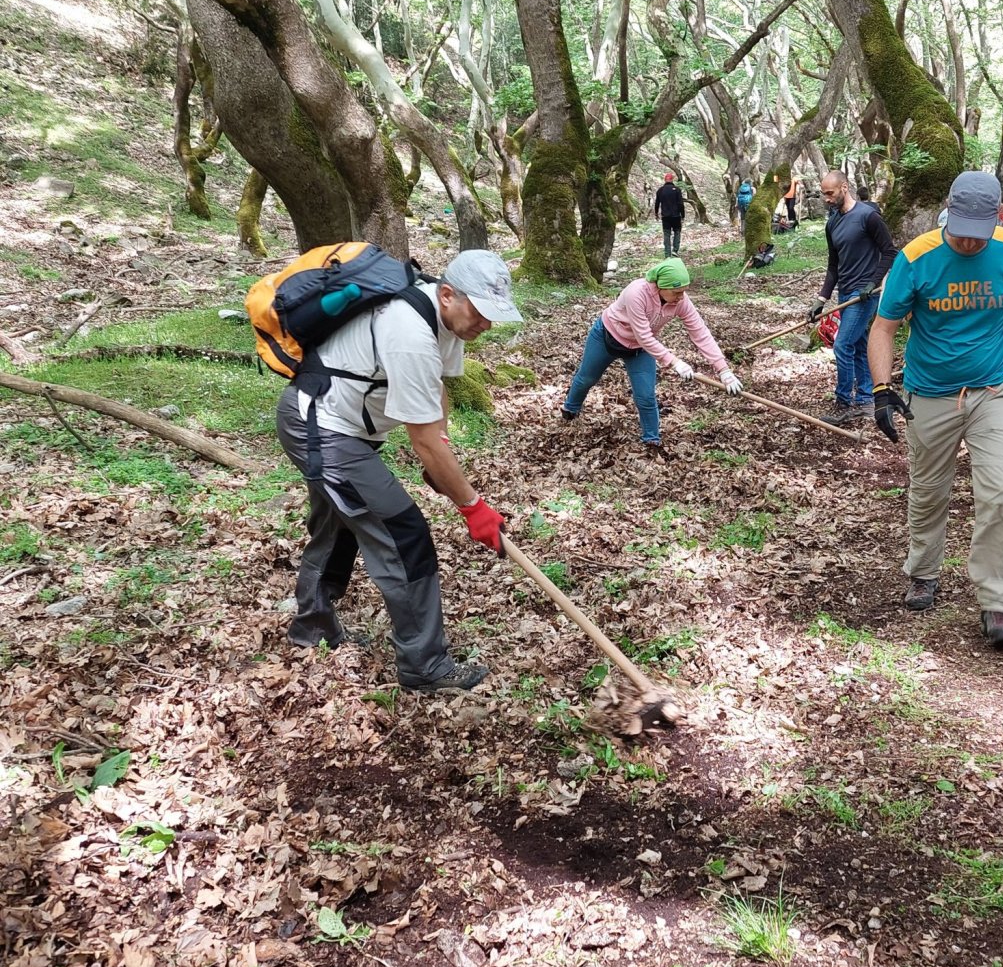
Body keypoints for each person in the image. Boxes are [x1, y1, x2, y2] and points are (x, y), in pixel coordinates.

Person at [274, 250, 521, 693]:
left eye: (493, 315)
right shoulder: (409, 332)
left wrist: (443, 450)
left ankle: (312, 628)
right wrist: (472, 507)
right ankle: (424, 666)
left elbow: (439, 389)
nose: (486, 323)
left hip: (340, 429)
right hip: (323, 430)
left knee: (339, 525)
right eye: (481, 311)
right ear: (448, 294)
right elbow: (421, 440)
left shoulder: (445, 322)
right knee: (403, 534)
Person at [867, 171, 1003, 652]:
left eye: (980, 230)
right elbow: (885, 327)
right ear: (949, 211)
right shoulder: (917, 257)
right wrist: (882, 389)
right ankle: (924, 572)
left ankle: (997, 600)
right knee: (929, 492)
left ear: (998, 218)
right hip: (930, 393)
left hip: (992, 390)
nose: (970, 241)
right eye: (962, 230)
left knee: (1000, 492)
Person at [562, 258, 741, 448]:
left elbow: (700, 332)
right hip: (607, 337)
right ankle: (570, 409)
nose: (681, 297)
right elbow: (643, 336)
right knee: (586, 378)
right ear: (660, 286)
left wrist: (724, 371)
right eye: (677, 292)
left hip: (640, 350)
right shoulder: (636, 293)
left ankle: (651, 441)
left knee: (646, 396)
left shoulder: (681, 301)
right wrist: (674, 362)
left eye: (684, 292)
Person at [805, 170, 897, 425]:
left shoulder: (868, 216)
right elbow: (833, 265)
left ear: (844, 188)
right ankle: (866, 400)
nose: (826, 198)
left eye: (829, 193)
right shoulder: (832, 222)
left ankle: (844, 402)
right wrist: (821, 299)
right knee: (857, 345)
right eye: (823, 193)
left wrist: (873, 282)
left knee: (842, 345)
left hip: (864, 294)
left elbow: (890, 252)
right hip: (845, 292)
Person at [655, 173, 685, 256]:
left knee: (667, 234)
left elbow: (657, 203)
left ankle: (667, 253)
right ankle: (675, 250)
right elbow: (680, 204)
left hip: (665, 216)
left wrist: (656, 213)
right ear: (672, 180)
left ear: (665, 180)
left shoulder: (660, 190)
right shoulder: (677, 190)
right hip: (676, 216)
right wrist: (683, 215)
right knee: (677, 232)